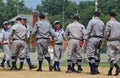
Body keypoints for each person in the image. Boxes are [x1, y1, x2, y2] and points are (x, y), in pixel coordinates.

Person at [104, 12, 120, 76]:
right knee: (114, 58)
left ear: (109, 15)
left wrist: (106, 38)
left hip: (111, 41)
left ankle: (117, 67)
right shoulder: (119, 23)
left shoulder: (109, 23)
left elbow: (107, 33)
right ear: (115, 16)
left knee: (110, 57)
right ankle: (110, 71)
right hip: (118, 42)